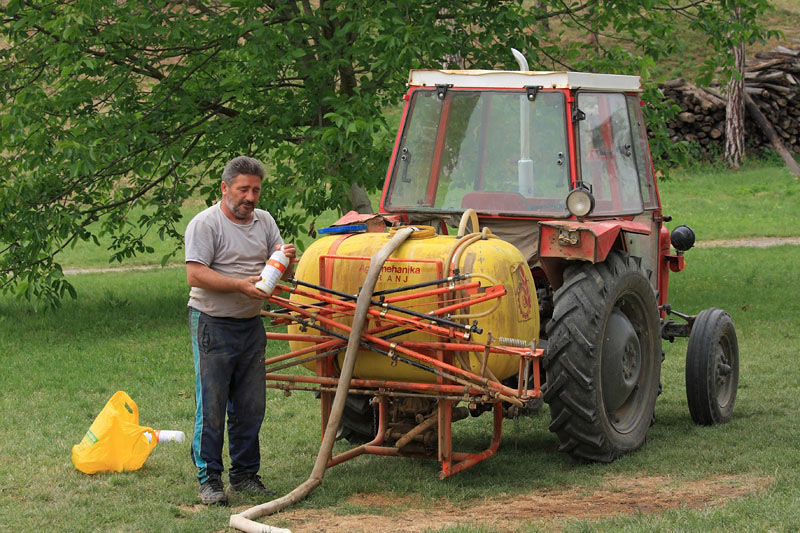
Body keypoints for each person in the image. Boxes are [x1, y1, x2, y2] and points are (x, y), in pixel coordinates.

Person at [184, 156, 296, 505]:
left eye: (256, 190)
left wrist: (286, 260)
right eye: (243, 189)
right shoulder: (205, 224)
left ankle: (245, 475)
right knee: (212, 405)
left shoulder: (264, 222)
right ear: (225, 188)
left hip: (250, 324)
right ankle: (210, 480)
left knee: (250, 406)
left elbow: (280, 268)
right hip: (212, 323)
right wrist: (239, 286)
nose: (250, 197)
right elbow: (195, 274)